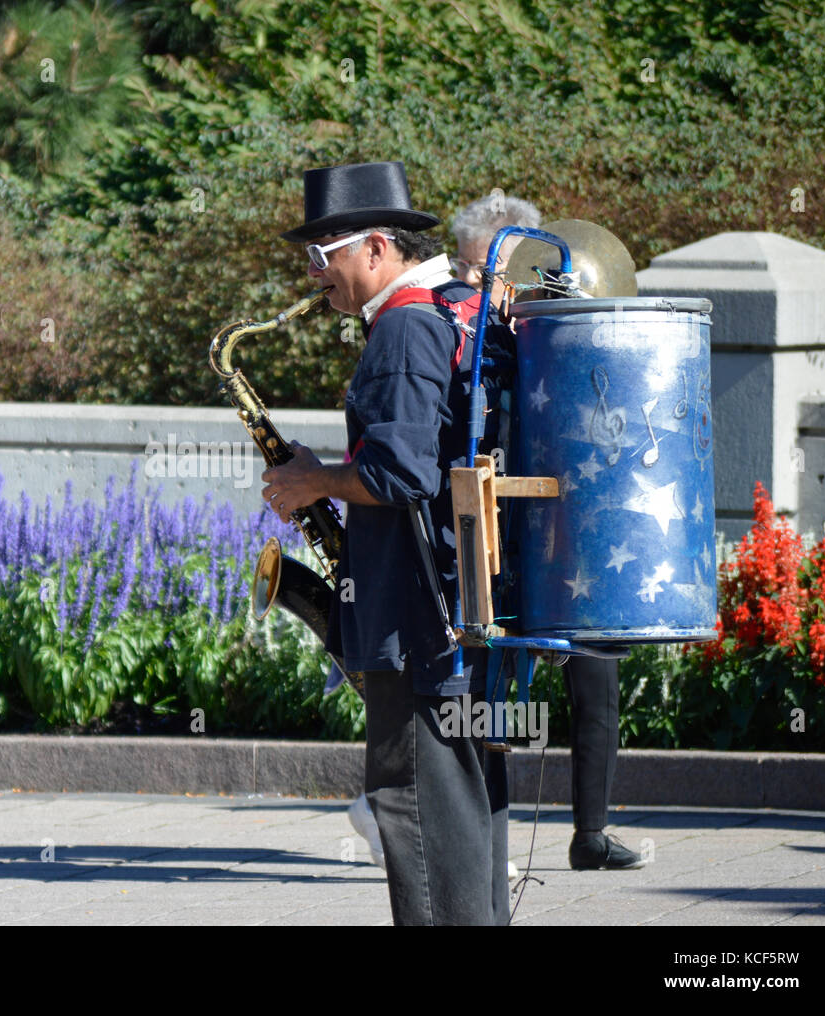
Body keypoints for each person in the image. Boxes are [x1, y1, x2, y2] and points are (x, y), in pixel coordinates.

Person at [264, 162, 509, 925]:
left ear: (374, 247)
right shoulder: (457, 308)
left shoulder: (404, 325)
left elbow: (401, 474)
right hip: (459, 606)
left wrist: (315, 483)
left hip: (415, 618)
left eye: (322, 254)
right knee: (469, 813)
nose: (314, 275)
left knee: (415, 810)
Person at [452, 194, 643, 872]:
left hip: (569, 523)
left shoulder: (554, 331)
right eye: (478, 272)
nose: (492, 288)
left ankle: (590, 832)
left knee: (596, 677)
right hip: (498, 527)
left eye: (503, 273)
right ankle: (482, 842)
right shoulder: (458, 332)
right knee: (490, 687)